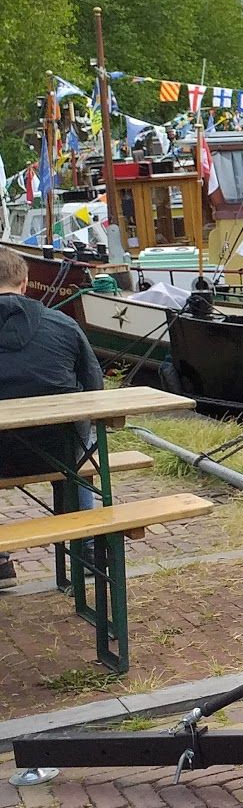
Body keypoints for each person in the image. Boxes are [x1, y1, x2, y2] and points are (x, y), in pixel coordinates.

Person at [0, 247, 104, 588]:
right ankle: (87, 548)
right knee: (82, 438)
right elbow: (94, 388)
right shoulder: (62, 323)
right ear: (26, 283)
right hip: (59, 452)